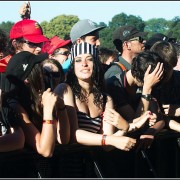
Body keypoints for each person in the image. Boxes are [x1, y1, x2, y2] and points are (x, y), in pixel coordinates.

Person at [53, 42, 157, 177]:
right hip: (66, 164)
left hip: (92, 165)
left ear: (96, 64)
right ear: (73, 66)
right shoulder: (65, 89)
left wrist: (129, 127)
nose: (84, 64)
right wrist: (110, 139)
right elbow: (74, 134)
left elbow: (107, 146)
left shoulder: (105, 98)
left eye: (89, 59)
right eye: (78, 60)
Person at [5, 51, 70, 157]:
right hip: (26, 170)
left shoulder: (38, 99)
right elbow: (45, 151)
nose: (44, 75)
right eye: (40, 70)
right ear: (27, 79)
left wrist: (61, 107)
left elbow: (64, 139)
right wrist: (48, 111)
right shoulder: (15, 105)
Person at [150, 41, 180, 132]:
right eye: (163, 69)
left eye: (168, 68)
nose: (165, 73)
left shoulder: (178, 78)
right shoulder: (150, 83)